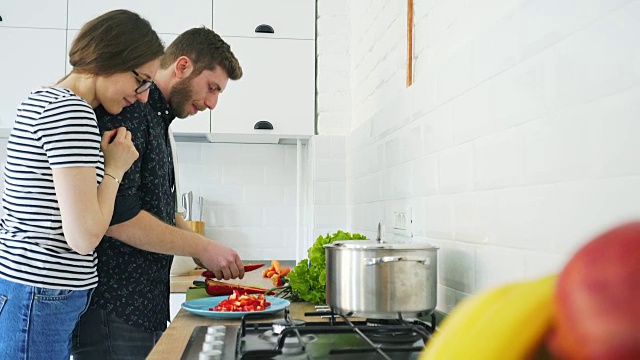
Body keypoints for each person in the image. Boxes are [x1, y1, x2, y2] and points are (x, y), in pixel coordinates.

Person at [71, 27, 245, 359]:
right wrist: (202, 246)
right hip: (115, 309)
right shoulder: (133, 113)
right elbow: (118, 218)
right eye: (211, 88)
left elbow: (153, 206)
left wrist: (194, 242)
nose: (212, 103)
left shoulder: (155, 119)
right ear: (182, 67)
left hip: (138, 309)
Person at [0, 9, 164, 360]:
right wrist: (115, 169)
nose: (143, 95)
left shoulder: (43, 99)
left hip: (30, 291)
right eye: (142, 80)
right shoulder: (72, 114)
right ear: (113, 57)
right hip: (41, 293)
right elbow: (85, 236)